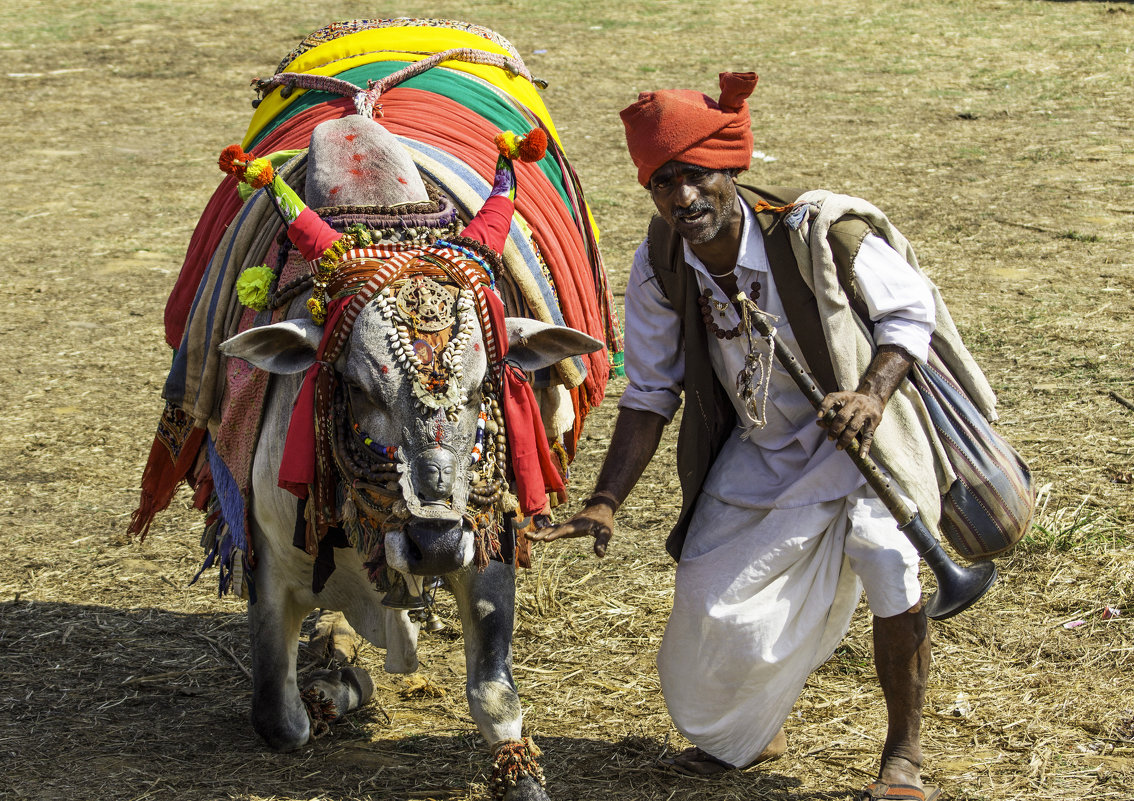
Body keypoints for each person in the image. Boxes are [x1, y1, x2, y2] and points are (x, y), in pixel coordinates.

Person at [529, 72, 949, 801]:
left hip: (864, 439)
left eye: (696, 176)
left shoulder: (817, 231)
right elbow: (653, 389)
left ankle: (903, 754)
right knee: (703, 594)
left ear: (732, 171)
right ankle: (754, 731)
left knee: (886, 556)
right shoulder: (661, 260)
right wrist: (606, 499)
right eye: (663, 183)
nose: (682, 198)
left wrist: (870, 396)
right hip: (766, 446)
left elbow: (911, 314)